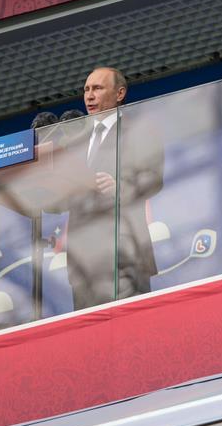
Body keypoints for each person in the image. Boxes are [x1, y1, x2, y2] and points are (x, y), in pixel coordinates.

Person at [60, 67, 164, 310]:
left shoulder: (138, 128)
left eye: (97, 88)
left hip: (124, 255)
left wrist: (120, 187)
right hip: (84, 264)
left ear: (119, 93)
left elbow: (153, 177)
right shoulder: (75, 141)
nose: (89, 95)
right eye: (86, 90)